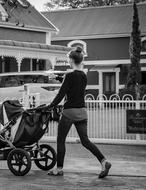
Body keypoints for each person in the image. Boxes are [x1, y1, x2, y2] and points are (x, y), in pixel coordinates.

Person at [47, 46, 111, 178]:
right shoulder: (83, 75)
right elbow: (72, 83)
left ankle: (59, 169)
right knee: (85, 141)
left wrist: (50, 105)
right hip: (82, 111)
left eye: (68, 60)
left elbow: (61, 93)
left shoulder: (69, 76)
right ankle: (104, 161)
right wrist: (58, 77)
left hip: (69, 112)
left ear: (70, 60)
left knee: (60, 140)